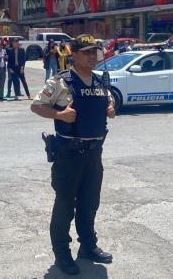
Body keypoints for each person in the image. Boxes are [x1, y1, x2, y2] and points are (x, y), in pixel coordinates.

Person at [30, 34, 116, 275]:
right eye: (86, 52)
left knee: (90, 205)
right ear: (74, 54)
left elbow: (109, 105)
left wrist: (111, 108)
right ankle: (62, 254)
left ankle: (88, 247)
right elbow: (36, 106)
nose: (92, 56)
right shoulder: (60, 82)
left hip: (93, 155)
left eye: (94, 52)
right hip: (69, 155)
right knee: (65, 206)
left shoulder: (100, 83)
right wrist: (58, 115)